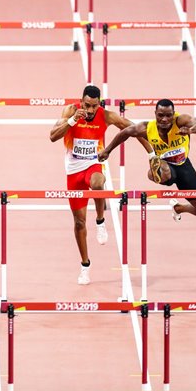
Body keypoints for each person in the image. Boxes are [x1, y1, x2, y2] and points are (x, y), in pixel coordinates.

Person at [50, 85, 153, 285]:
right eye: (87, 105)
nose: (89, 111)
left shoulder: (106, 116)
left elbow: (134, 129)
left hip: (92, 165)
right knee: (79, 223)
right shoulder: (70, 111)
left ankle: (100, 220)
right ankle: (85, 265)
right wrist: (72, 121)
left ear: (99, 104)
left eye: (94, 106)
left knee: (98, 182)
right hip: (73, 173)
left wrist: (151, 152)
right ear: (81, 102)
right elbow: (53, 136)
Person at [98, 98, 196, 222]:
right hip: (166, 166)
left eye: (168, 115)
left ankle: (178, 208)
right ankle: (153, 172)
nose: (164, 119)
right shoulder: (146, 128)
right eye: (160, 115)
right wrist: (107, 150)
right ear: (155, 114)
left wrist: (190, 130)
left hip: (184, 167)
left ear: (173, 114)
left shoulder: (181, 121)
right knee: (165, 170)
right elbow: (124, 133)